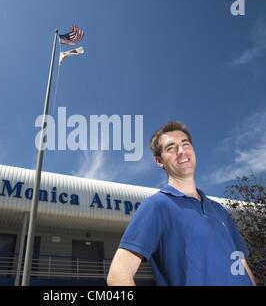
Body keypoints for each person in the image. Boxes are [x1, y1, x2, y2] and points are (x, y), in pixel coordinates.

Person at [107, 121, 257, 286]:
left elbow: (241, 262)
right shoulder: (156, 206)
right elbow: (117, 276)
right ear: (159, 161)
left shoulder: (219, 210)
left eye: (185, 144)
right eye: (171, 148)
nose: (181, 151)